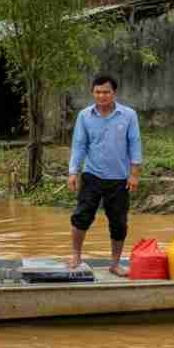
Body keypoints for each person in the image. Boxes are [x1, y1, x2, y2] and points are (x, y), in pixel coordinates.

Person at [67, 74, 142, 275]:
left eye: (106, 92)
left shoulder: (128, 115)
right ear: (93, 93)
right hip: (92, 175)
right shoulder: (84, 116)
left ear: (113, 93)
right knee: (81, 216)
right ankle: (76, 254)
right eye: (98, 92)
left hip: (119, 179)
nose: (102, 96)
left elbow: (135, 144)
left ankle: (115, 263)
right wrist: (73, 172)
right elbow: (79, 145)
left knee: (119, 222)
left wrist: (134, 174)